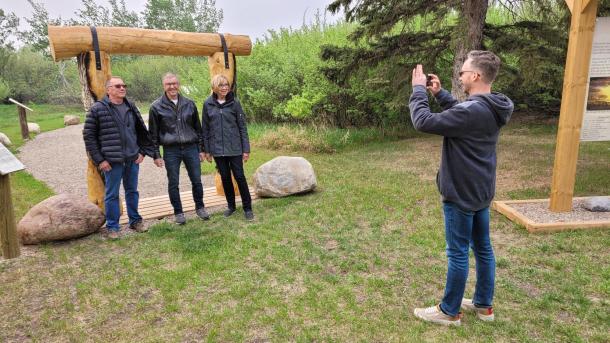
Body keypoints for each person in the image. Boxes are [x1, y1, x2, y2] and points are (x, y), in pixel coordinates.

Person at [409, 51, 513, 326]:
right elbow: (465, 115)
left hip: (461, 194)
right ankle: (483, 305)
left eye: (464, 72)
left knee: (457, 253)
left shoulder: (473, 111)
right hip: (481, 191)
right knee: (483, 249)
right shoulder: (494, 107)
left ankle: (449, 311)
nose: (461, 76)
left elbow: (423, 121)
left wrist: (418, 91)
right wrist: (441, 95)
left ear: (476, 76)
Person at [83, 76, 157, 240]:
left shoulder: (130, 106)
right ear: (108, 89)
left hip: (132, 159)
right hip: (112, 162)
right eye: (118, 86)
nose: (122, 88)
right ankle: (113, 227)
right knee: (112, 195)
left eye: (124, 85)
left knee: (132, 191)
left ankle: (135, 221)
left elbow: (141, 131)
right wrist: (100, 160)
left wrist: (142, 152)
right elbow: (89, 137)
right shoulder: (97, 109)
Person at [148, 73, 210, 225]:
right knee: (173, 182)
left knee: (196, 180)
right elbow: (153, 134)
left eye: (174, 83)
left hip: (191, 148)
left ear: (179, 84)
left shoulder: (189, 104)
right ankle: (178, 212)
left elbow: (198, 128)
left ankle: (200, 207)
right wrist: (156, 154)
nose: (172, 86)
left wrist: (201, 149)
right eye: (168, 84)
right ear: (164, 86)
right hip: (171, 150)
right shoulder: (156, 107)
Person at [202, 74, 254, 221]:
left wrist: (246, 149)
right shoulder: (208, 104)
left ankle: (247, 208)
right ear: (215, 87)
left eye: (226, 85)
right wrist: (207, 150)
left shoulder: (235, 103)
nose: (225, 88)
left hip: (235, 148)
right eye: (221, 85)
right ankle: (231, 206)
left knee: (239, 177)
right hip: (217, 149)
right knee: (225, 177)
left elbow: (242, 127)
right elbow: (205, 129)